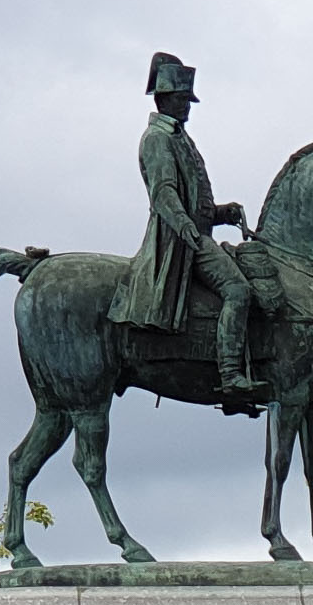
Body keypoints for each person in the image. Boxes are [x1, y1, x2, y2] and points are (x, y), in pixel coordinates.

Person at [108, 52, 260, 397]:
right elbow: (164, 194)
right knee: (238, 291)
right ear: (163, 99)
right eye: (181, 99)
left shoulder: (179, 137)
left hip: (194, 233)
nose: (187, 106)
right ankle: (231, 374)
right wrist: (186, 228)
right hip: (178, 240)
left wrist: (222, 212)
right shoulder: (158, 138)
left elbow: (194, 201)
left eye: (188, 100)